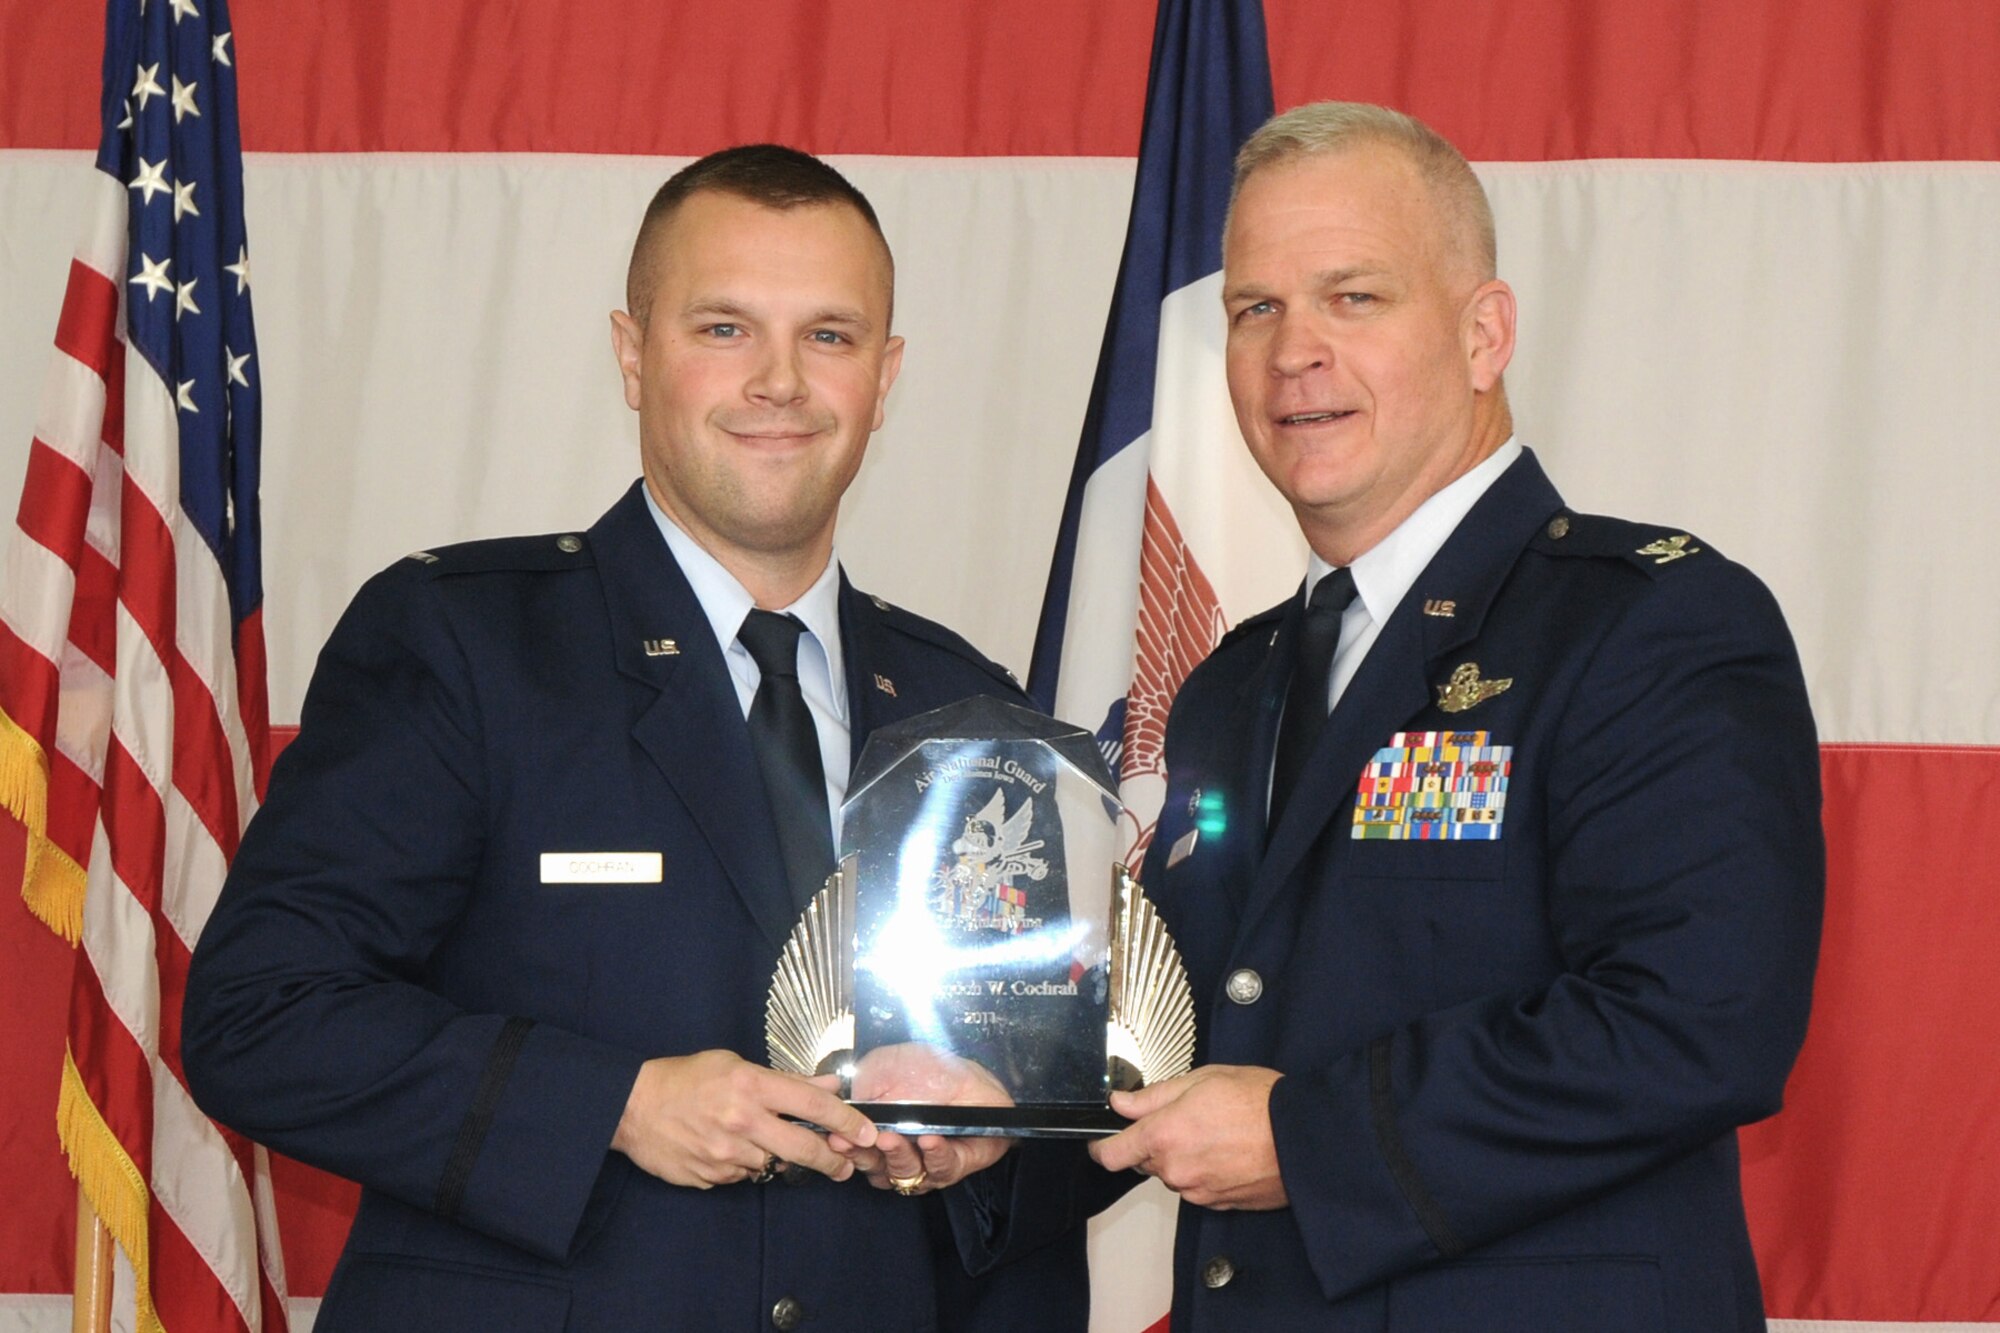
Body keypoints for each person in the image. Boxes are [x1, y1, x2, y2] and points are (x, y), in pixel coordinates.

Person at [183, 145, 1084, 1332]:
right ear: (630, 352)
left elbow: (1054, 1118)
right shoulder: (466, 643)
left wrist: (983, 1147)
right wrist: (615, 1102)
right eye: (722, 329)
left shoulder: (964, 710)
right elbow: (259, 1016)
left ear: (885, 372)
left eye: (829, 334)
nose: (778, 381)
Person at [1087, 102, 1824, 1330]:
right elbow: (1182, 1028)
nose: (1291, 354)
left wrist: (1305, 1141)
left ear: (1483, 334)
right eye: (1253, 308)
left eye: (1353, 298)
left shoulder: (1648, 623)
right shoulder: (1234, 683)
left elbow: (1700, 1019)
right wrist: (973, 1113)